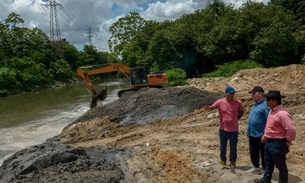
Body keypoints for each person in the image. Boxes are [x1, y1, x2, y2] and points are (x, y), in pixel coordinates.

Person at [254, 90, 296, 183]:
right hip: (269, 141)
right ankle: (266, 180)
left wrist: (289, 141)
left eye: (268, 99)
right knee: (268, 162)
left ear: (275, 101)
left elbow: (290, 129)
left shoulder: (283, 114)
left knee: (280, 165)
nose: (266, 101)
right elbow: (269, 125)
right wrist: (265, 135)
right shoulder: (271, 111)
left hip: (278, 143)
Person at [204, 86, 244, 167]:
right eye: (231, 93)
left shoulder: (237, 102)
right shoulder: (220, 102)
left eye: (233, 93)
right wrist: (209, 108)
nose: (232, 95)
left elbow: (241, 112)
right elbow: (213, 107)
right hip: (223, 129)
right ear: (226, 94)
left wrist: (236, 119)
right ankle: (223, 160)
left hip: (233, 129)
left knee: (233, 146)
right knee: (223, 146)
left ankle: (233, 161)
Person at [247, 86, 270, 174]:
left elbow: (269, 120)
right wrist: (248, 130)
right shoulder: (255, 105)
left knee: (264, 153)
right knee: (253, 150)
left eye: (253, 93)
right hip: (252, 133)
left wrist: (266, 133)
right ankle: (256, 167)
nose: (252, 95)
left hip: (261, 134)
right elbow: (251, 118)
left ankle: (265, 170)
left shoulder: (265, 105)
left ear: (260, 94)